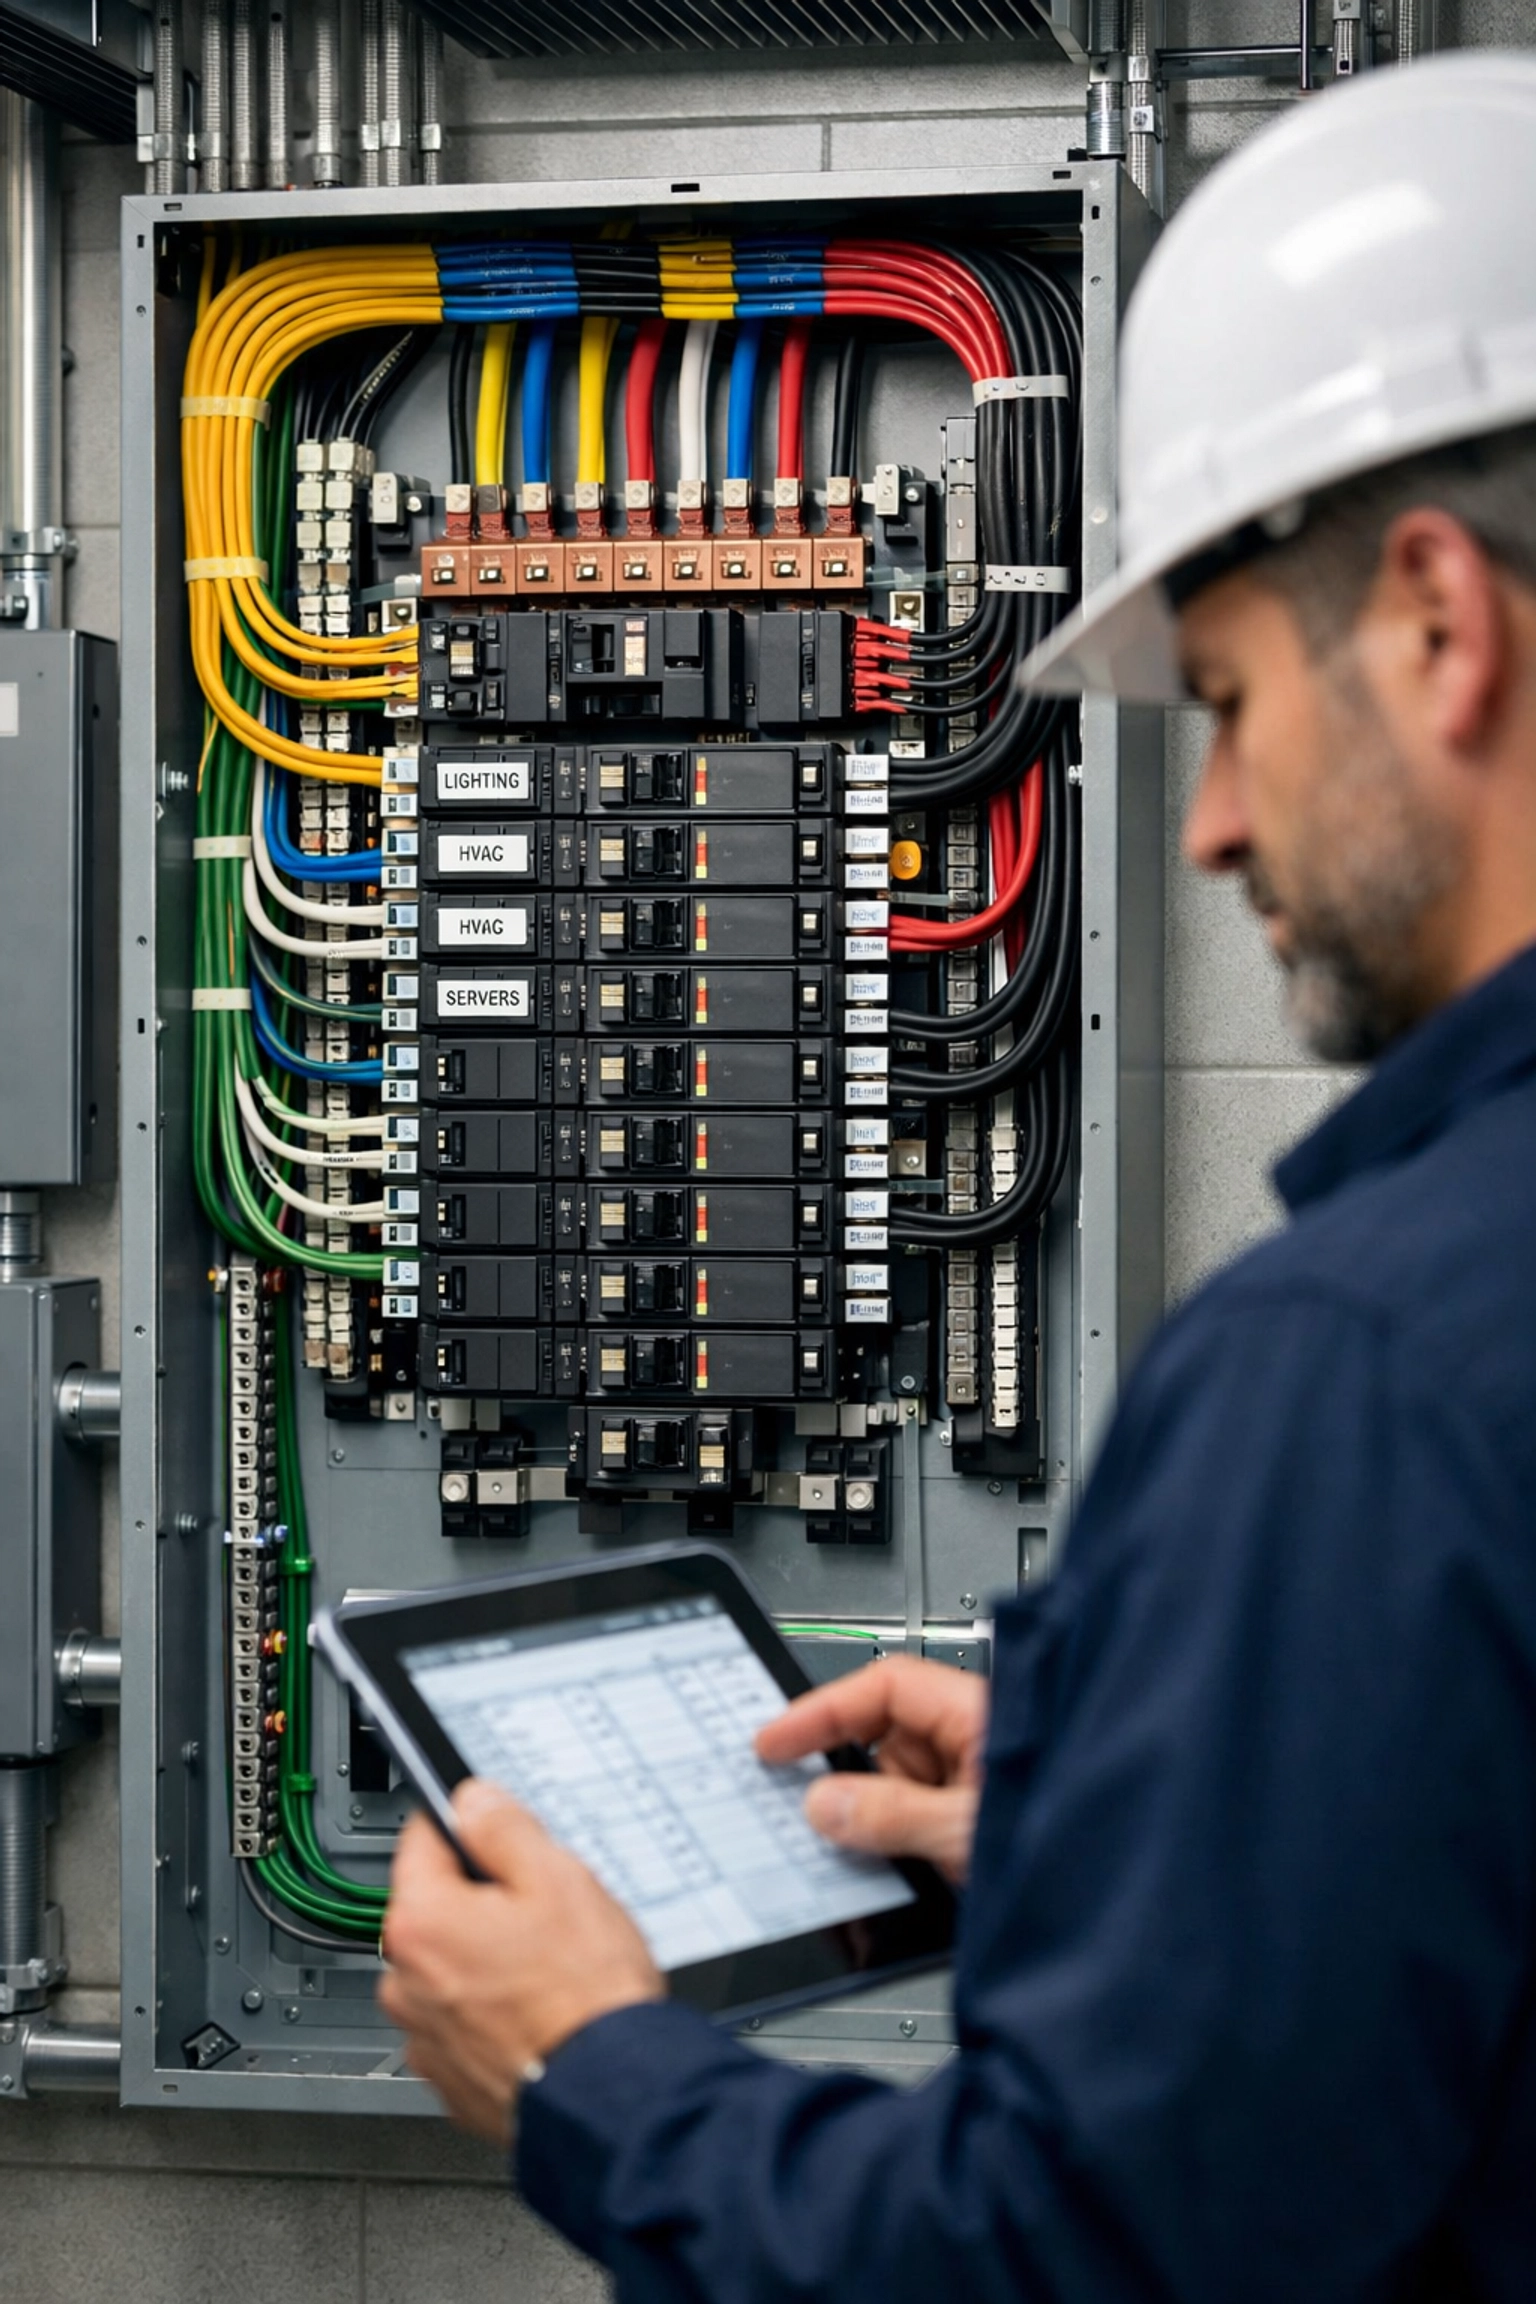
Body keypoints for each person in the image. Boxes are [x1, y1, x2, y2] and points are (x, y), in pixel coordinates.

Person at [379, 53, 1536, 2303]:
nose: (1207, 827)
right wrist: (1156, 1846)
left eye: (1219, 702)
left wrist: (592, 2072)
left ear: (1432, 623)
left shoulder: (1367, 1363)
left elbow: (1061, 2265)